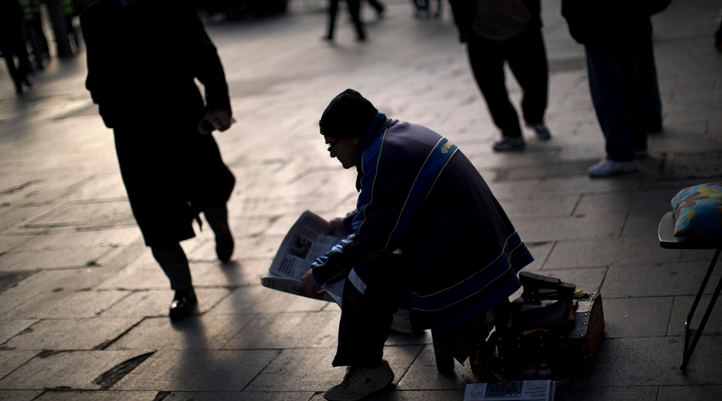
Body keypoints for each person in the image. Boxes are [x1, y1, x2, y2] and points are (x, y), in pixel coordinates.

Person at [301, 89, 534, 401]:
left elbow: (373, 237)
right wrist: (343, 223)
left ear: (351, 137)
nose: (330, 152)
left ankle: (369, 368)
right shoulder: (396, 136)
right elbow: (392, 203)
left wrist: (319, 271)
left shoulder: (384, 155)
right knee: (372, 256)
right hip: (482, 254)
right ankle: (390, 316)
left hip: (466, 270)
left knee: (362, 271)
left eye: (331, 144)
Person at [81, 0, 236, 320]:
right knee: (152, 212)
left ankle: (221, 229)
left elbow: (205, 55)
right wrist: (110, 112)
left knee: (210, 189)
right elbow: (95, 75)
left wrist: (218, 104)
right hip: (133, 132)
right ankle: (182, 288)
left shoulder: (171, 4)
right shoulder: (95, 17)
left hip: (183, 117)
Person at [561, 0, 669, 177]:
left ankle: (620, 154)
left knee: (607, 86)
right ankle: (636, 143)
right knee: (628, 80)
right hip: (623, 16)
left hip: (597, 18)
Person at [449, 0, 552, 152]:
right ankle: (510, 131)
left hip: (522, 23)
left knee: (536, 79)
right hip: (479, 30)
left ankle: (534, 117)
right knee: (492, 88)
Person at [1, 0, 33, 95]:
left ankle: (19, 79)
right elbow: (20, 13)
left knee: (19, 59)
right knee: (17, 58)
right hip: (10, 34)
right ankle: (19, 80)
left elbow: (19, 13)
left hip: (12, 33)